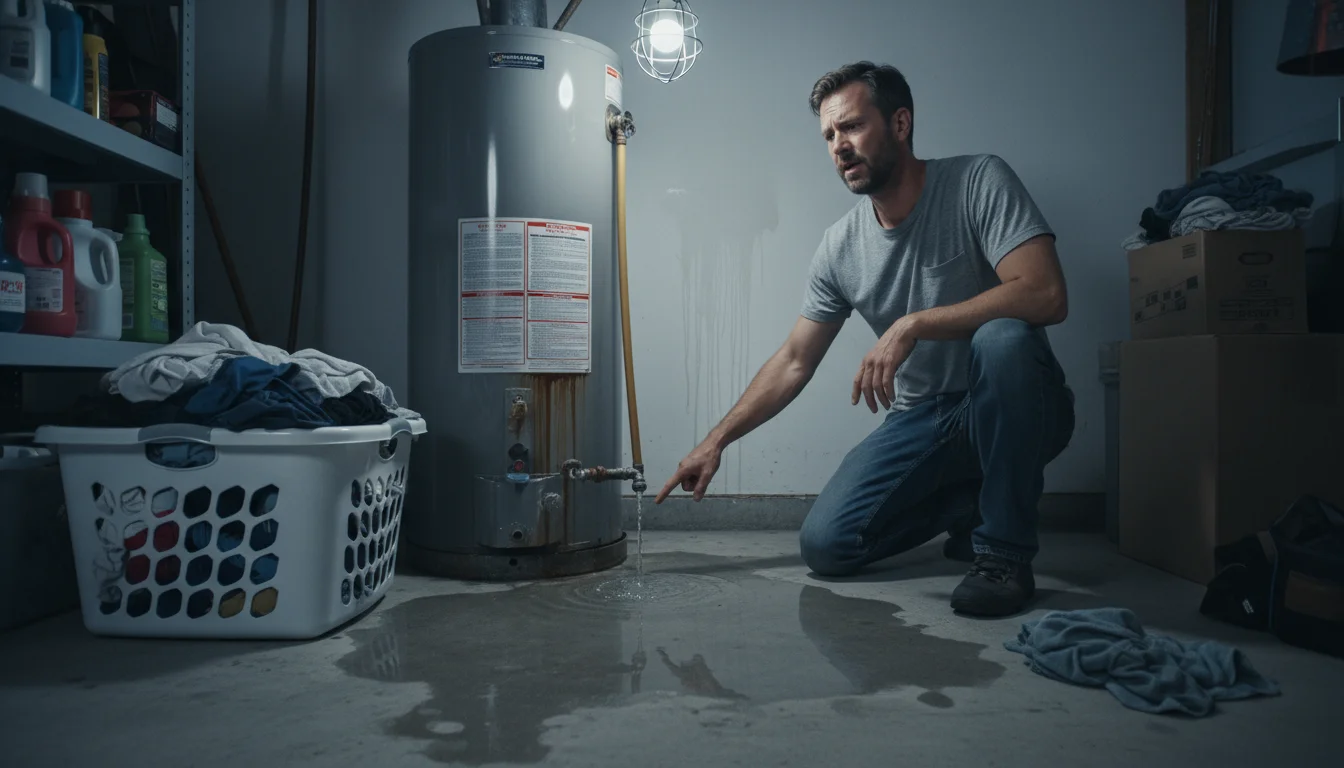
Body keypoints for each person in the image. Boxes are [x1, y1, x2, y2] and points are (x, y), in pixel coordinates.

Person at [654, 61, 1075, 617]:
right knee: (826, 545)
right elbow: (795, 360)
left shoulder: (978, 180)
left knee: (1003, 339)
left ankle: (1002, 556)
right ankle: (969, 507)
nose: (838, 146)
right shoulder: (840, 247)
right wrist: (716, 442)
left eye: (851, 127)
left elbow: (1045, 293)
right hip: (923, 418)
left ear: (900, 124)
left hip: (1015, 403)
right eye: (829, 135)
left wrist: (914, 323)